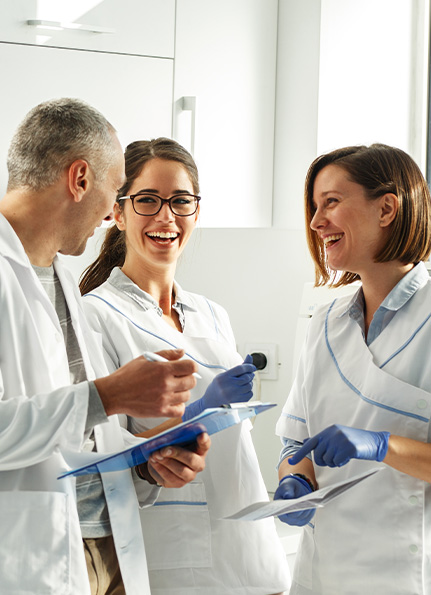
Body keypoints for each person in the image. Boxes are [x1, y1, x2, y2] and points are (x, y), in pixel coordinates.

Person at [0, 99, 211, 595]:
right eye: (115, 191)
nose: (109, 213)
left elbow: (79, 433)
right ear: (79, 179)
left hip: (102, 544)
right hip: (27, 558)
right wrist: (108, 396)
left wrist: (147, 460)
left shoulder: (63, 281)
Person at [79, 137, 291, 595]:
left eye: (180, 201)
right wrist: (199, 413)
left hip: (247, 543)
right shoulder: (95, 315)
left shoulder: (212, 314)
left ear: (196, 211)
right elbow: (104, 457)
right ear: (117, 213)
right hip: (168, 552)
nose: (166, 217)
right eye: (148, 201)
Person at [274, 143, 431, 594]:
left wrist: (381, 446)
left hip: (409, 574)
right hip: (324, 572)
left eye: (332, 202)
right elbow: (296, 442)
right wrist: (294, 481)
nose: (315, 221)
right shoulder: (325, 323)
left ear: (386, 209)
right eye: (314, 206)